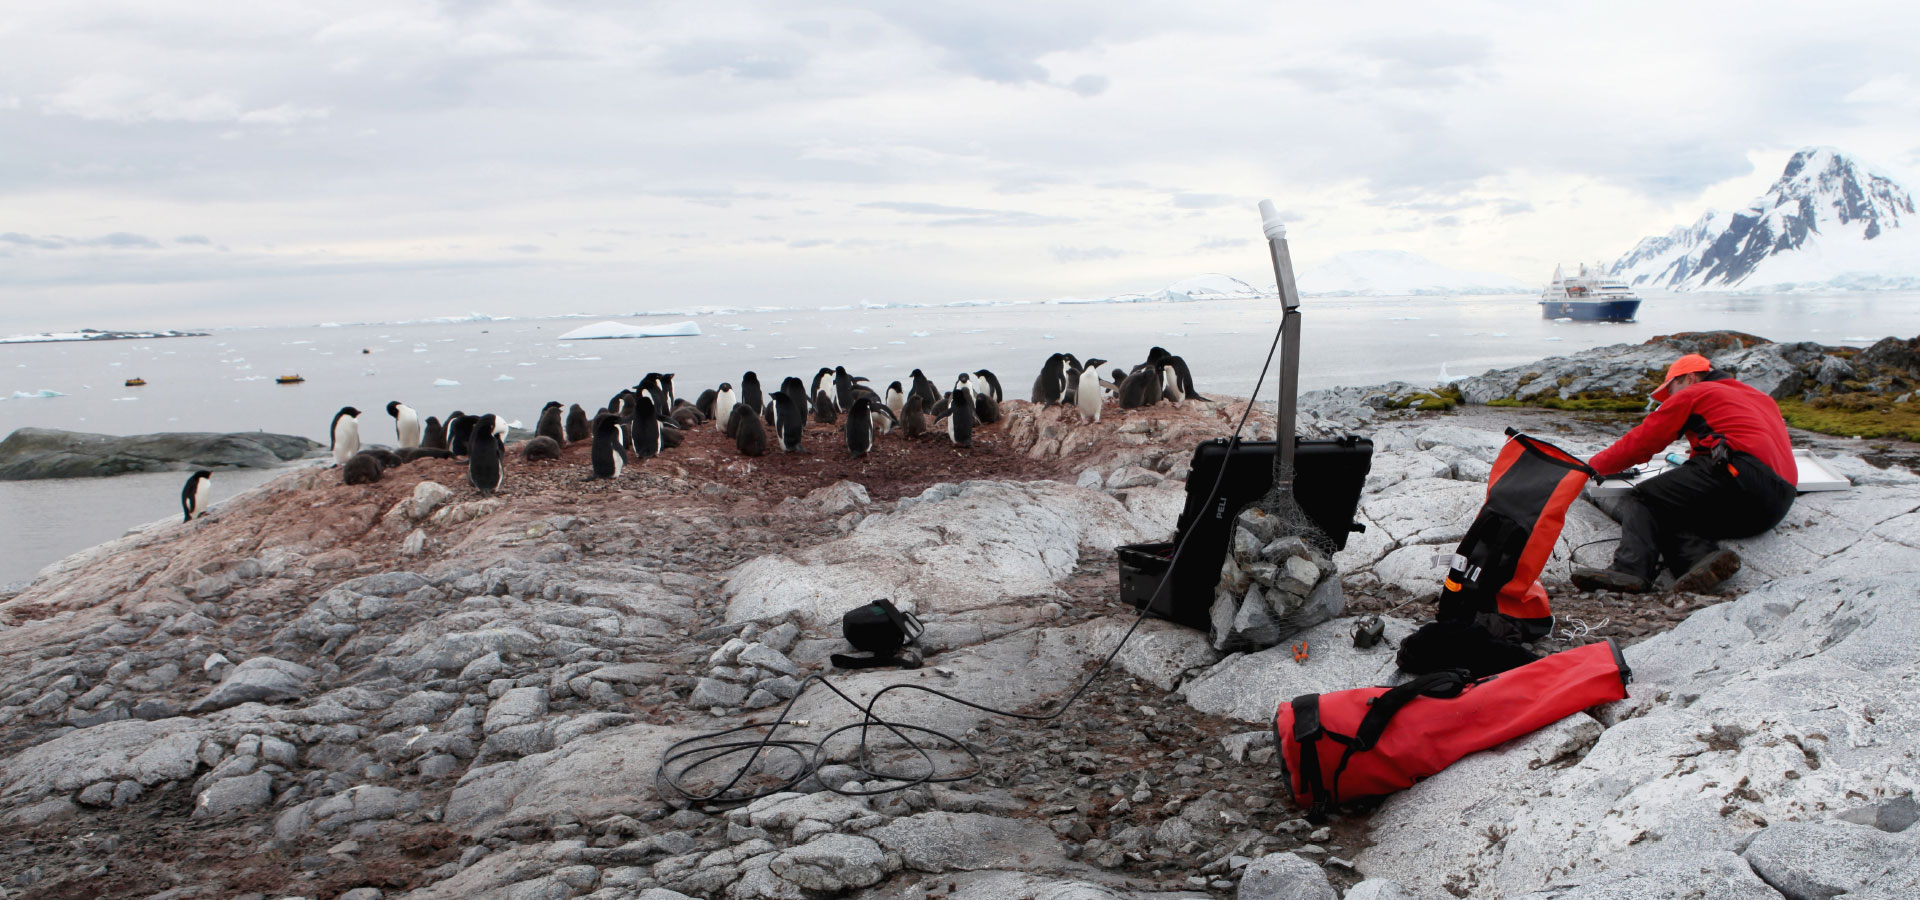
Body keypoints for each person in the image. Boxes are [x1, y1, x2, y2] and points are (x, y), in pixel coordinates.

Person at [1571, 353, 1798, 594]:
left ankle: (1630, 570)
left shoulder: (1697, 392)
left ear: (1689, 378)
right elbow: (1747, 438)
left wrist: (1589, 467)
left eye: (1671, 389)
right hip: (1775, 504)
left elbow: (1642, 443)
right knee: (1672, 509)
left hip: (1740, 475)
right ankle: (1699, 564)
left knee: (1646, 498)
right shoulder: (1760, 398)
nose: (1669, 398)